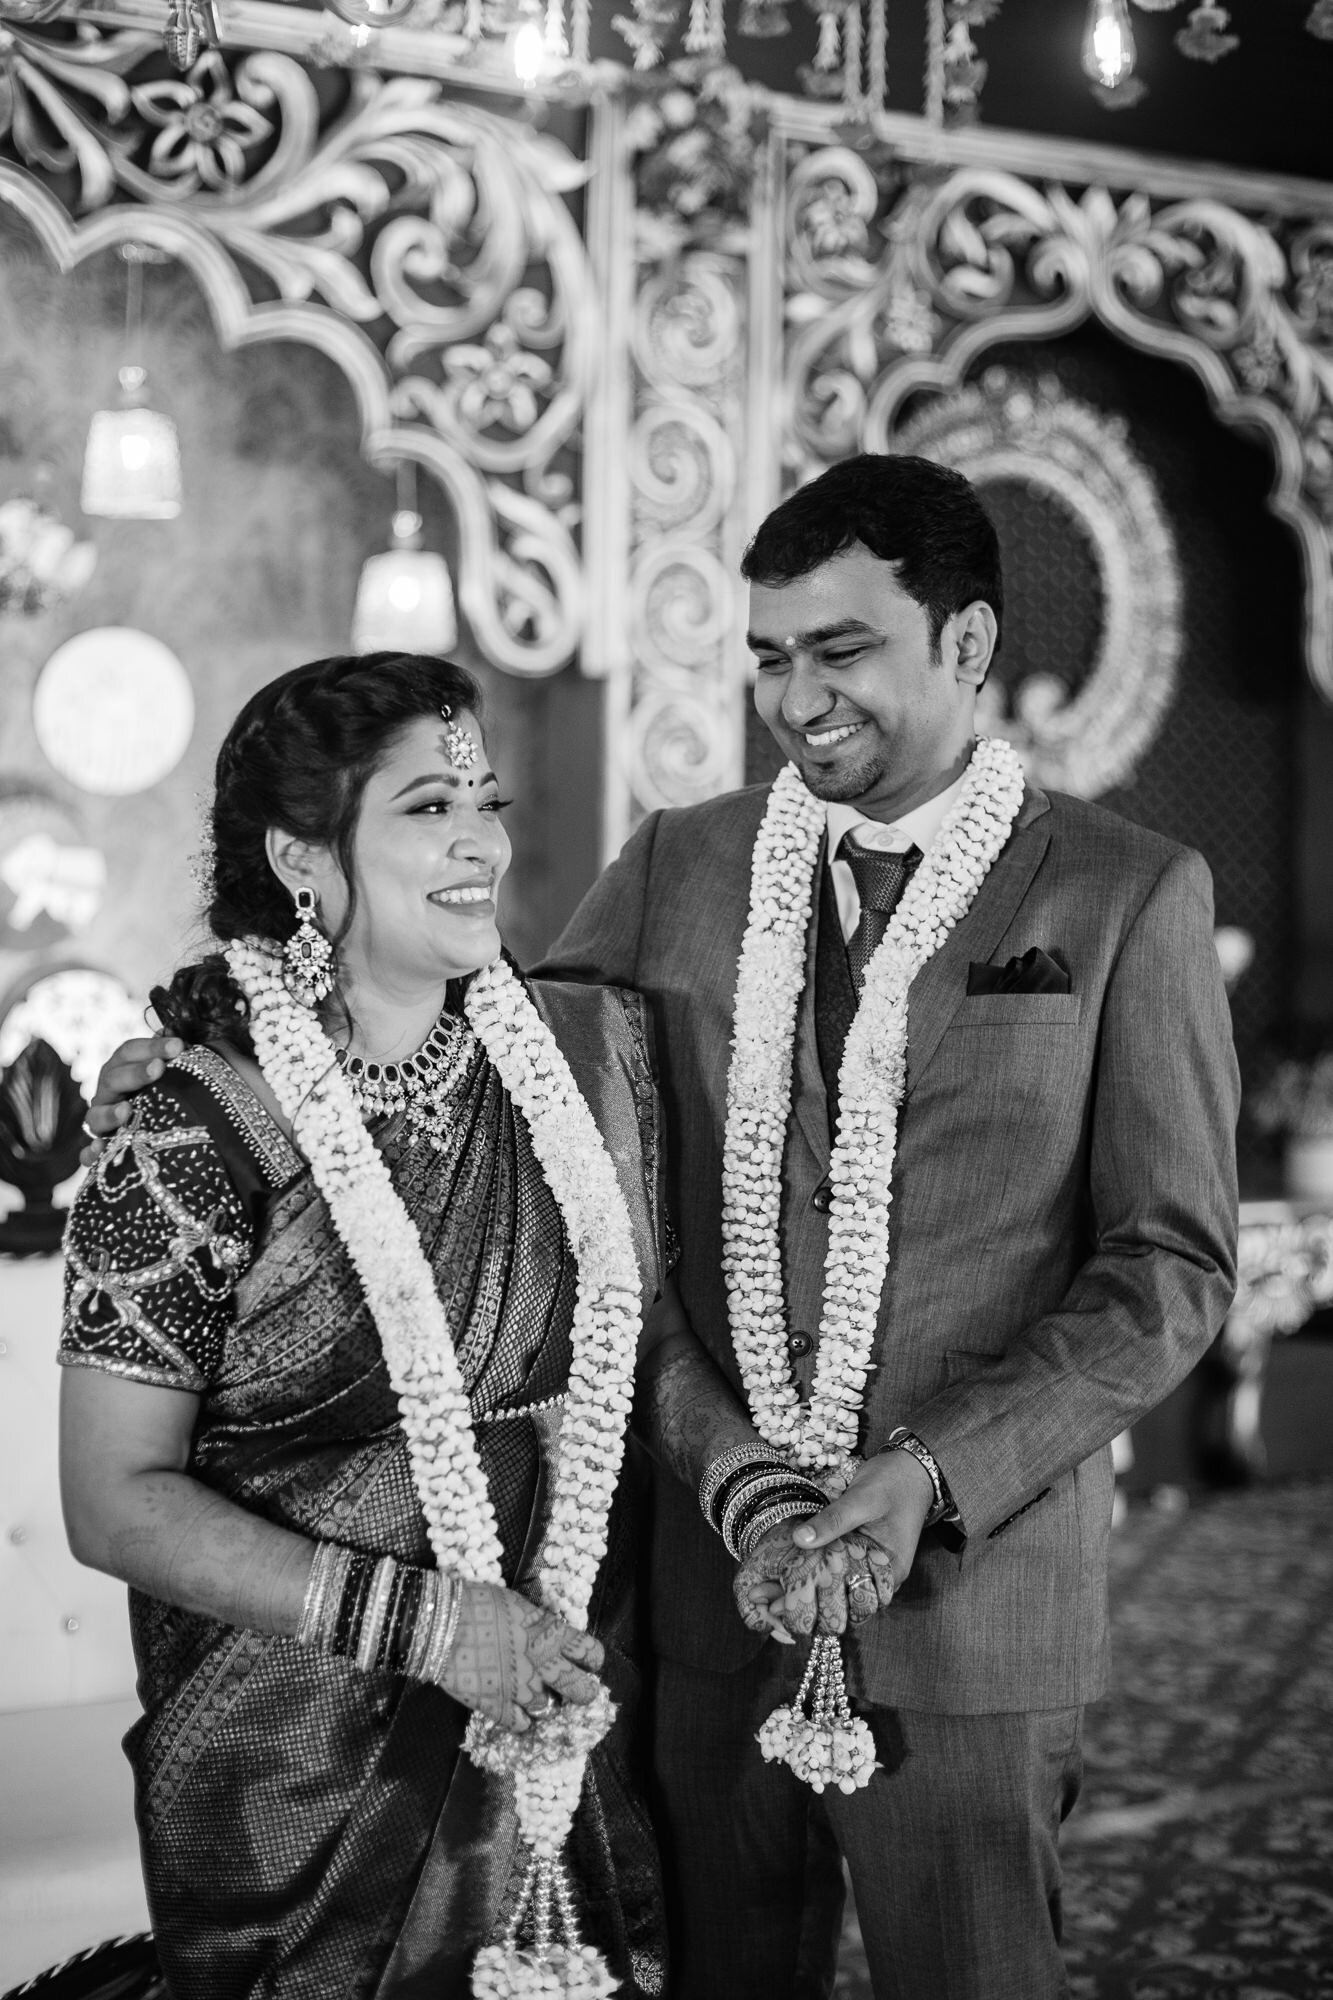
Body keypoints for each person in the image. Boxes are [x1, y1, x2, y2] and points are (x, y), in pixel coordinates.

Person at [529, 454, 1241, 1997]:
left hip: (975, 1614)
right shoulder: (678, 862)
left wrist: (936, 1473)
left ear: (967, 644)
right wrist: (222, 1045)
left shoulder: (1125, 896)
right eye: (771, 658)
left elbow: (1170, 1267)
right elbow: (527, 1112)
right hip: (717, 1582)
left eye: (840, 651)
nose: (796, 700)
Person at [59, 651, 767, 2000]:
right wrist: (434, 1629)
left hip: (557, 1703)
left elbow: (646, 1334)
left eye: (485, 801)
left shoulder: (580, 1060)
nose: (480, 844)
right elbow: (111, 1502)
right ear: (303, 861)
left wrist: (757, 1489)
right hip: (296, 1767)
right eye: (427, 808)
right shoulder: (189, 1125)